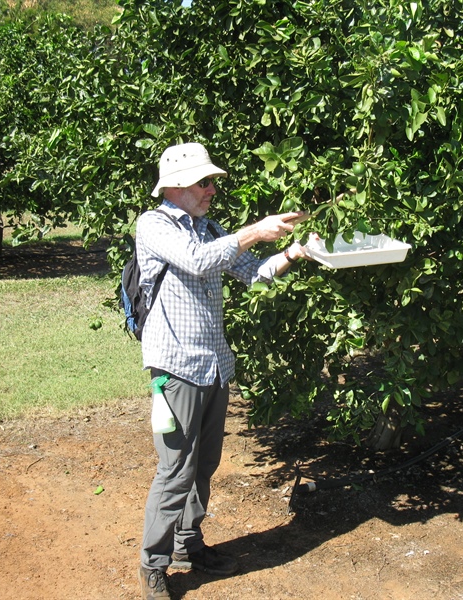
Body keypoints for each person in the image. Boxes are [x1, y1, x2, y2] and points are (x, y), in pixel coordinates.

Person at [136, 142, 313, 600]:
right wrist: (254, 230)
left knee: (206, 464)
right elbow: (197, 261)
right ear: (176, 187)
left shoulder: (208, 228)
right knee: (176, 468)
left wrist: (297, 251)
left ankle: (188, 545)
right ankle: (152, 565)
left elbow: (255, 272)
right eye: (204, 182)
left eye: (211, 181)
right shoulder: (154, 225)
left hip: (214, 367)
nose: (213, 189)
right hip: (175, 370)